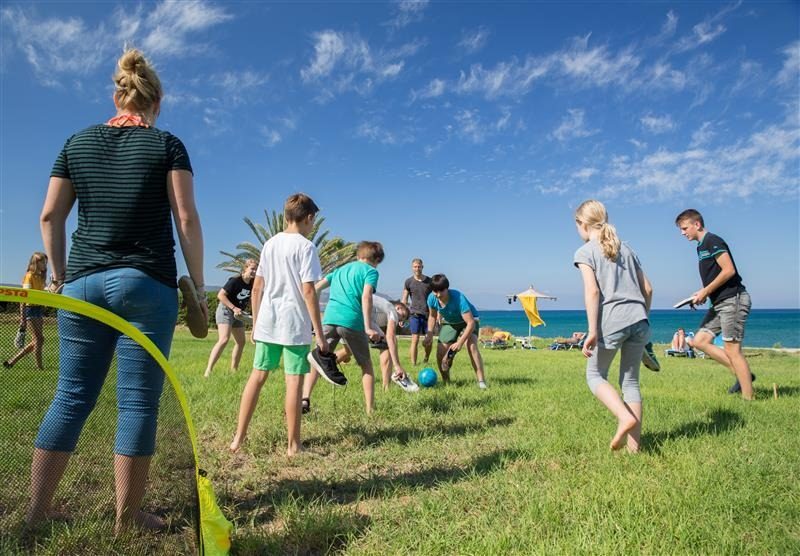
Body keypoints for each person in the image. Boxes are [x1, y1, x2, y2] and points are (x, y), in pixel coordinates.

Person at [28, 48, 206, 533]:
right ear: (156, 103)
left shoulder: (76, 142)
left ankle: (36, 512)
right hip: (145, 283)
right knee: (136, 404)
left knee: (70, 396)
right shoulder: (168, 145)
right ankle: (127, 517)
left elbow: (50, 216)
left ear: (117, 96)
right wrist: (199, 288)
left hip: (80, 284)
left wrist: (62, 277)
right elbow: (185, 218)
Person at [229, 194, 326, 456]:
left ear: (285, 217)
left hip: (268, 322)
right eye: (313, 221)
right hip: (294, 324)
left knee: (257, 377)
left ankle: (238, 439)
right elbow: (309, 292)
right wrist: (319, 334)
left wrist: (256, 325)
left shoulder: (270, 244)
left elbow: (257, 288)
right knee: (293, 383)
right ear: (308, 218)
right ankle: (293, 446)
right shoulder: (307, 248)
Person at [574, 200, 653, 453]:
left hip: (613, 321)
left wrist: (593, 331)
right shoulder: (627, 249)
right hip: (640, 318)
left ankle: (623, 417)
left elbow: (592, 291)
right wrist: (642, 316)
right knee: (630, 382)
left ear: (582, 224)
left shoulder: (585, 251)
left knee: (595, 375)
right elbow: (648, 289)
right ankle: (634, 449)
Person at [675, 209, 755, 399]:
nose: (682, 233)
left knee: (732, 351)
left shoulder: (713, 241)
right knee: (698, 341)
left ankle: (748, 398)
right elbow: (715, 277)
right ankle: (743, 375)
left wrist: (706, 291)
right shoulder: (700, 247)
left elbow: (729, 271)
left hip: (733, 300)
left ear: (697, 224)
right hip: (718, 303)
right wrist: (701, 294)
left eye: (685, 228)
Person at [303, 241, 384, 415]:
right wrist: (369, 327)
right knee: (366, 366)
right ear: (376, 259)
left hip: (329, 318)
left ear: (358, 255)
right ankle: (370, 410)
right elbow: (367, 296)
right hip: (352, 321)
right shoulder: (371, 271)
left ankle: (305, 398)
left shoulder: (339, 270)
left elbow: (315, 288)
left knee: (319, 360)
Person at [332, 296, 415, 393]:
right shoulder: (392, 310)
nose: (401, 319)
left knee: (348, 351)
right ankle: (386, 388)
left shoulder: (380, 306)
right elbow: (391, 337)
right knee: (386, 345)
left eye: (403, 319)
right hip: (357, 315)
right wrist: (397, 365)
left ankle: (323, 367)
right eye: (403, 316)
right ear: (398, 308)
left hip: (341, 312)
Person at [422, 274, 487, 389]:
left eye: (441, 291)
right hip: (450, 322)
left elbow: (470, 323)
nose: (438, 295)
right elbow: (432, 316)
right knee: (441, 352)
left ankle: (481, 382)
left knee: (471, 346)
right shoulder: (432, 298)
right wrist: (430, 333)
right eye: (435, 291)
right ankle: (447, 382)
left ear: (447, 288)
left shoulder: (458, 298)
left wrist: (460, 342)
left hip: (469, 321)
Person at [204, 259, 257, 377]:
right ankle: (208, 370)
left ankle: (234, 370)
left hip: (238, 314)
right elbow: (220, 295)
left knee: (241, 342)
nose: (254, 271)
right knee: (224, 339)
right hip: (226, 310)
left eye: (255, 269)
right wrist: (233, 308)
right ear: (245, 268)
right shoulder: (235, 281)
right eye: (252, 268)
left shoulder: (253, 284)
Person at [4, 252, 49, 370]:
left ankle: (12, 361)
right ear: (36, 263)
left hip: (38, 309)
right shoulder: (29, 276)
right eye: (42, 262)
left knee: (38, 339)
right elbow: (23, 298)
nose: (45, 264)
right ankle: (40, 368)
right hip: (30, 310)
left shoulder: (40, 277)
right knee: (39, 339)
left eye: (45, 262)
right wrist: (22, 317)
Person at [401, 258, 433, 365]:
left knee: (428, 341)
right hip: (414, 314)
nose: (417, 269)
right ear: (412, 268)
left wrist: (438, 315)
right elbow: (404, 300)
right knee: (414, 339)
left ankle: (426, 359)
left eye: (419, 266)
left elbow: (437, 298)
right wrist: (401, 316)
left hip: (428, 315)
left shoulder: (429, 281)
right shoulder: (408, 282)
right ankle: (414, 364)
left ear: (422, 267)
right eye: (415, 266)